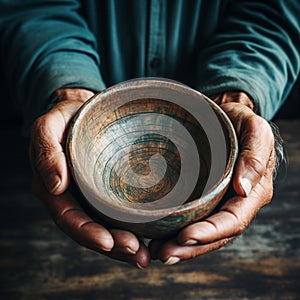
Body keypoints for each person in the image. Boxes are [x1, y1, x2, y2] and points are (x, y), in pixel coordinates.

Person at [0, 0, 298, 269]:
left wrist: (238, 95)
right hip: (38, 198)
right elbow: (33, 7)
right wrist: (68, 91)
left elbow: (274, 12)